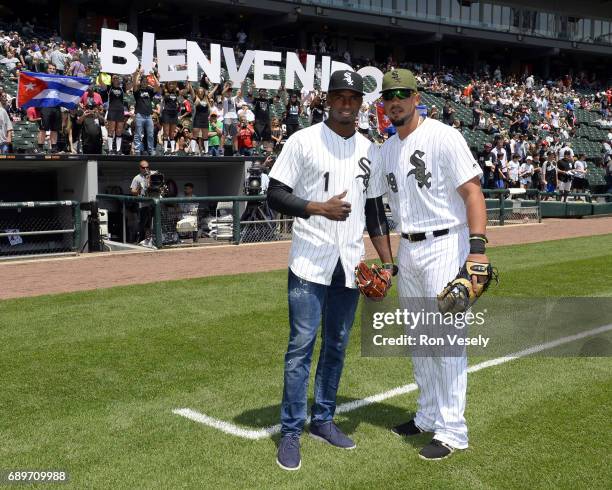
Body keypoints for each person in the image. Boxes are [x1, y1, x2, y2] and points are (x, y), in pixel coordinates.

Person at [267, 70, 394, 471]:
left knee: (337, 345)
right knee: (300, 348)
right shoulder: (302, 141)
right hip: (309, 261)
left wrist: (388, 263)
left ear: (360, 103)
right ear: (327, 100)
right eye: (338, 96)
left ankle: (323, 419)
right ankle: (290, 432)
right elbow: (275, 194)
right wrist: (318, 207)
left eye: (352, 97)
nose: (345, 103)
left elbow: (374, 211)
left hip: (349, 265)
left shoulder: (369, 149)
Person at [379, 68, 489, 460]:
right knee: (419, 340)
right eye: (389, 95)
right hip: (409, 248)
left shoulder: (444, 136)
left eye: (402, 93)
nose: (396, 101)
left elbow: (472, 192)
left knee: (446, 342)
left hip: (446, 242)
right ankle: (427, 416)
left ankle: (453, 431)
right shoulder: (388, 148)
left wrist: (477, 250)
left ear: (416, 96)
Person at [132, 68, 161, 156]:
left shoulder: (149, 90)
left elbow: (158, 85)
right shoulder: (137, 91)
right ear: (141, 82)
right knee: (138, 134)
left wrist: (153, 75)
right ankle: (137, 150)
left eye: (146, 81)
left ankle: (151, 150)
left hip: (149, 116)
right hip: (139, 115)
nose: (144, 82)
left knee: (150, 134)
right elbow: (134, 83)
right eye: (143, 81)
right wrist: (139, 74)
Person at [101, 74, 130, 154]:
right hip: (112, 110)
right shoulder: (109, 88)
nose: (116, 79)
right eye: (114, 78)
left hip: (120, 110)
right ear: (112, 80)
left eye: (117, 78)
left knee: (119, 130)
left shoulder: (121, 87)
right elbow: (101, 83)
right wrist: (100, 73)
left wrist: (129, 79)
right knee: (111, 130)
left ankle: (118, 150)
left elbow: (130, 86)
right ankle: (110, 149)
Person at [40, 64, 62, 152]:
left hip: (56, 106)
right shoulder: (42, 78)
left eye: (54, 69)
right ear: (47, 69)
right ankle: (40, 147)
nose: (52, 70)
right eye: (50, 68)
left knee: (55, 129)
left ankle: (54, 148)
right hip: (46, 106)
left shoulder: (59, 80)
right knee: (43, 128)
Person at [130, 160, 153, 244]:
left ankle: (151, 240)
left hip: (153, 203)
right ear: (140, 168)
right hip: (142, 205)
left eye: (147, 167)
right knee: (142, 223)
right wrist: (139, 189)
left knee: (152, 223)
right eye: (144, 167)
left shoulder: (153, 175)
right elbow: (132, 191)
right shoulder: (137, 178)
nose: (146, 169)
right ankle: (139, 240)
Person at [161, 81, 181, 154]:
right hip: (166, 113)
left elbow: (183, 91)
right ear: (167, 84)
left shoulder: (176, 92)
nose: (171, 85)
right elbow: (161, 86)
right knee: (166, 132)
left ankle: (172, 150)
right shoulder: (164, 91)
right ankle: (165, 150)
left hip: (174, 113)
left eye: (172, 84)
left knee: (172, 133)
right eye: (170, 84)